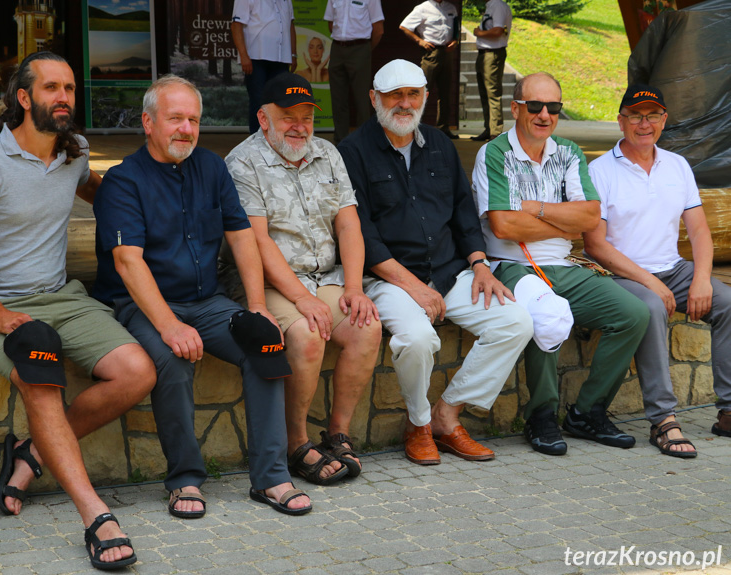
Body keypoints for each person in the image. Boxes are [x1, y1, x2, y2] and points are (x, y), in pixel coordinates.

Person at [0, 51, 155, 570]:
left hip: (61, 297)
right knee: (41, 375)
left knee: (138, 371)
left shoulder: (73, 154)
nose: (64, 98)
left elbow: (101, 193)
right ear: (23, 98)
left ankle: (30, 453)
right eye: (52, 87)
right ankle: (95, 515)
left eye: (70, 89)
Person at [91, 75, 312, 517]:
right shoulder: (123, 181)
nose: (186, 129)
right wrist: (170, 326)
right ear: (148, 122)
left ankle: (270, 477)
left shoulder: (212, 167)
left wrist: (256, 306)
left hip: (208, 302)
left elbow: (242, 235)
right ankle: (185, 479)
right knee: (171, 358)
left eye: (193, 119)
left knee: (265, 342)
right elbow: (128, 263)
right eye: (176, 119)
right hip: (145, 304)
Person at [338, 59, 533, 465]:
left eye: (413, 94)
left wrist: (480, 264)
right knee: (417, 338)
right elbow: (362, 235)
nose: (404, 104)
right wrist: (413, 287)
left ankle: (447, 415)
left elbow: (464, 211)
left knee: (516, 322)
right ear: (374, 98)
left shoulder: (441, 144)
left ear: (425, 97)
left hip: (448, 271)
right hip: (388, 279)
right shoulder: (352, 152)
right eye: (394, 95)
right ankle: (419, 422)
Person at [472, 72, 650, 456]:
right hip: (510, 265)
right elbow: (503, 226)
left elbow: (589, 218)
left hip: (565, 264)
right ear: (516, 108)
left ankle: (587, 412)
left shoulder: (568, 151)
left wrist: (533, 208)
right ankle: (541, 416)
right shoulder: (495, 153)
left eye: (553, 107)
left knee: (634, 313)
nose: (544, 115)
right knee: (543, 313)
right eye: (535, 106)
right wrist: (560, 218)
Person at [223, 73, 382, 485]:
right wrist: (302, 299)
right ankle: (296, 442)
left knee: (367, 326)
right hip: (271, 283)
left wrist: (352, 287)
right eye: (287, 116)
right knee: (308, 336)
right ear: (263, 117)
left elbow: (349, 225)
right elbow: (256, 241)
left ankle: (338, 433)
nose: (299, 126)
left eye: (306, 116)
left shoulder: (328, 154)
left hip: (324, 277)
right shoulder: (242, 162)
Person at [584, 84, 731, 457]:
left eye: (652, 115)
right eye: (635, 115)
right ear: (621, 121)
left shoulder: (677, 165)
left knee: (728, 299)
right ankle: (663, 419)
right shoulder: (599, 170)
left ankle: (728, 410)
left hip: (674, 269)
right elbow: (595, 245)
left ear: (664, 120)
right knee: (650, 307)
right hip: (622, 275)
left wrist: (700, 278)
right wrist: (651, 282)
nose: (644, 123)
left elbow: (699, 230)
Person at [231, 0, 297, 134]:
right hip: (256, 57)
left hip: (281, 58)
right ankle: (256, 141)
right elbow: (236, 25)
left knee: (279, 101)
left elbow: (290, 25)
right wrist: (243, 55)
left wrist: (293, 54)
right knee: (258, 102)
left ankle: (277, 139)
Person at [324, 0, 384, 143]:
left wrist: (365, 50)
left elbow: (379, 29)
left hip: (360, 47)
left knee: (362, 98)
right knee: (338, 98)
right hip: (337, 47)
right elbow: (331, 24)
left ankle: (364, 142)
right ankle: (341, 141)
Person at [399, 0, 460, 139]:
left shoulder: (450, 7)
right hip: (431, 53)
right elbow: (404, 26)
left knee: (445, 93)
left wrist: (456, 40)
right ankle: (416, 127)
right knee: (422, 91)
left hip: (448, 52)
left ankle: (443, 128)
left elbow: (456, 27)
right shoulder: (422, 8)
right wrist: (419, 40)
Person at [470, 0, 512, 142]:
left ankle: (495, 132)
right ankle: (488, 129)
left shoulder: (498, 5)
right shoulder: (490, 5)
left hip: (492, 53)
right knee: (484, 93)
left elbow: (498, 30)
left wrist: (479, 33)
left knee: (492, 93)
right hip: (484, 53)